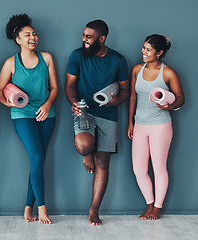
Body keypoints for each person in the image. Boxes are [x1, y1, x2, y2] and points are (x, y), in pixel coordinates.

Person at [0, 14, 58, 224]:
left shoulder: (47, 58)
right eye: (27, 35)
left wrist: (47, 105)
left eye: (34, 34)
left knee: (37, 161)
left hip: (46, 114)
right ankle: (42, 209)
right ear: (18, 39)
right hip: (22, 115)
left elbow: (55, 88)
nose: (33, 37)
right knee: (37, 158)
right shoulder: (10, 63)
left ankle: (27, 208)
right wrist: (9, 103)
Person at [65, 20, 129, 225]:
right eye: (84, 35)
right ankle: (88, 152)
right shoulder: (77, 55)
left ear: (101, 39)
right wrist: (74, 103)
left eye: (89, 37)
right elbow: (70, 85)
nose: (84, 39)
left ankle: (94, 210)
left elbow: (125, 90)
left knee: (103, 163)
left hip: (108, 114)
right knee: (84, 146)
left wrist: (116, 101)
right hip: (84, 110)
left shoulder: (118, 60)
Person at [127, 34, 185, 220]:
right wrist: (131, 122)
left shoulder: (168, 73)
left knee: (159, 167)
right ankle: (149, 204)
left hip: (160, 125)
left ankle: (157, 208)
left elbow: (181, 98)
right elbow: (133, 97)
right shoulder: (137, 69)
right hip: (140, 125)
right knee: (138, 169)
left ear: (159, 53)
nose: (144, 52)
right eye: (143, 48)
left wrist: (170, 105)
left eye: (148, 50)